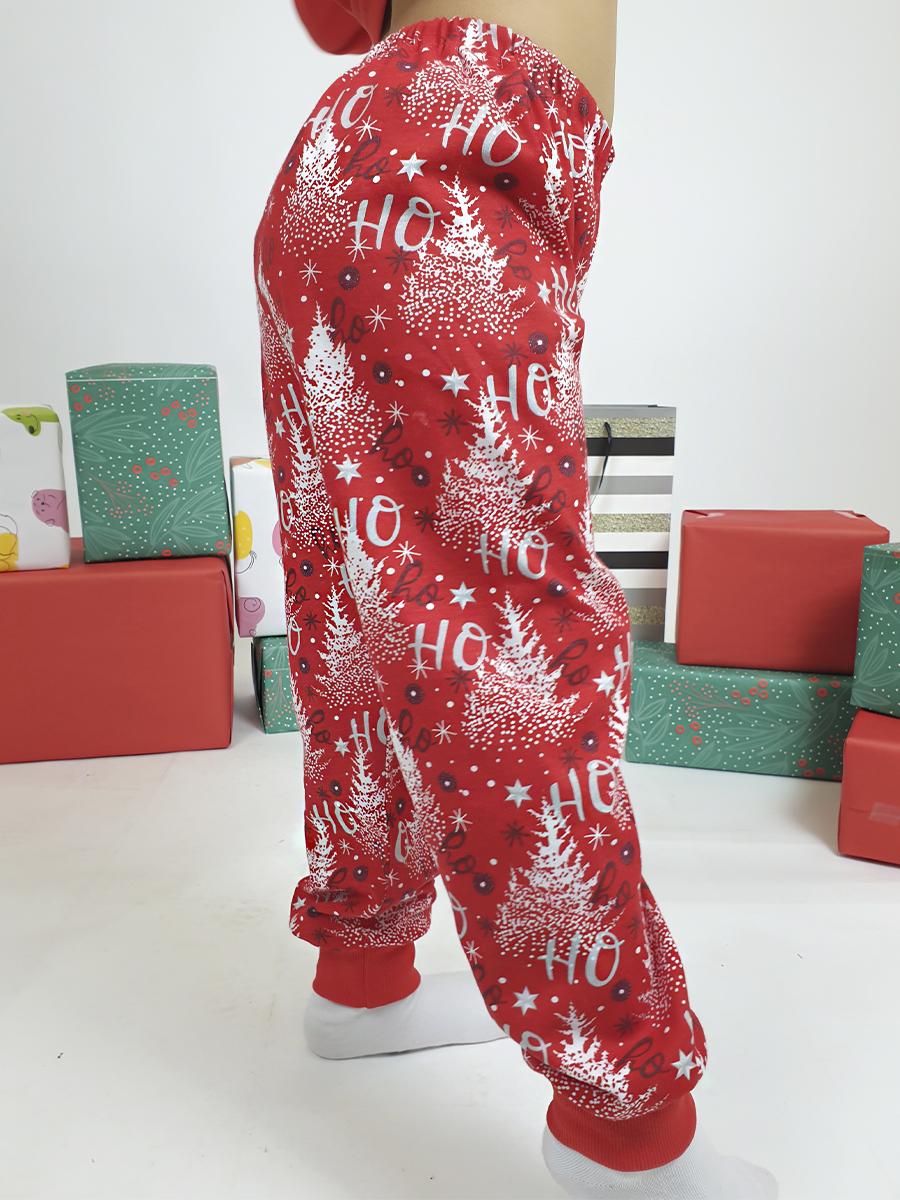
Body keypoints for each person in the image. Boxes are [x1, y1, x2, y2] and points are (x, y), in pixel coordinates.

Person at [253, 3, 777, 1196]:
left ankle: (362, 978)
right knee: (507, 644)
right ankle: (623, 1130)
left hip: (348, 166)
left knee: (358, 610)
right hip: (443, 151)